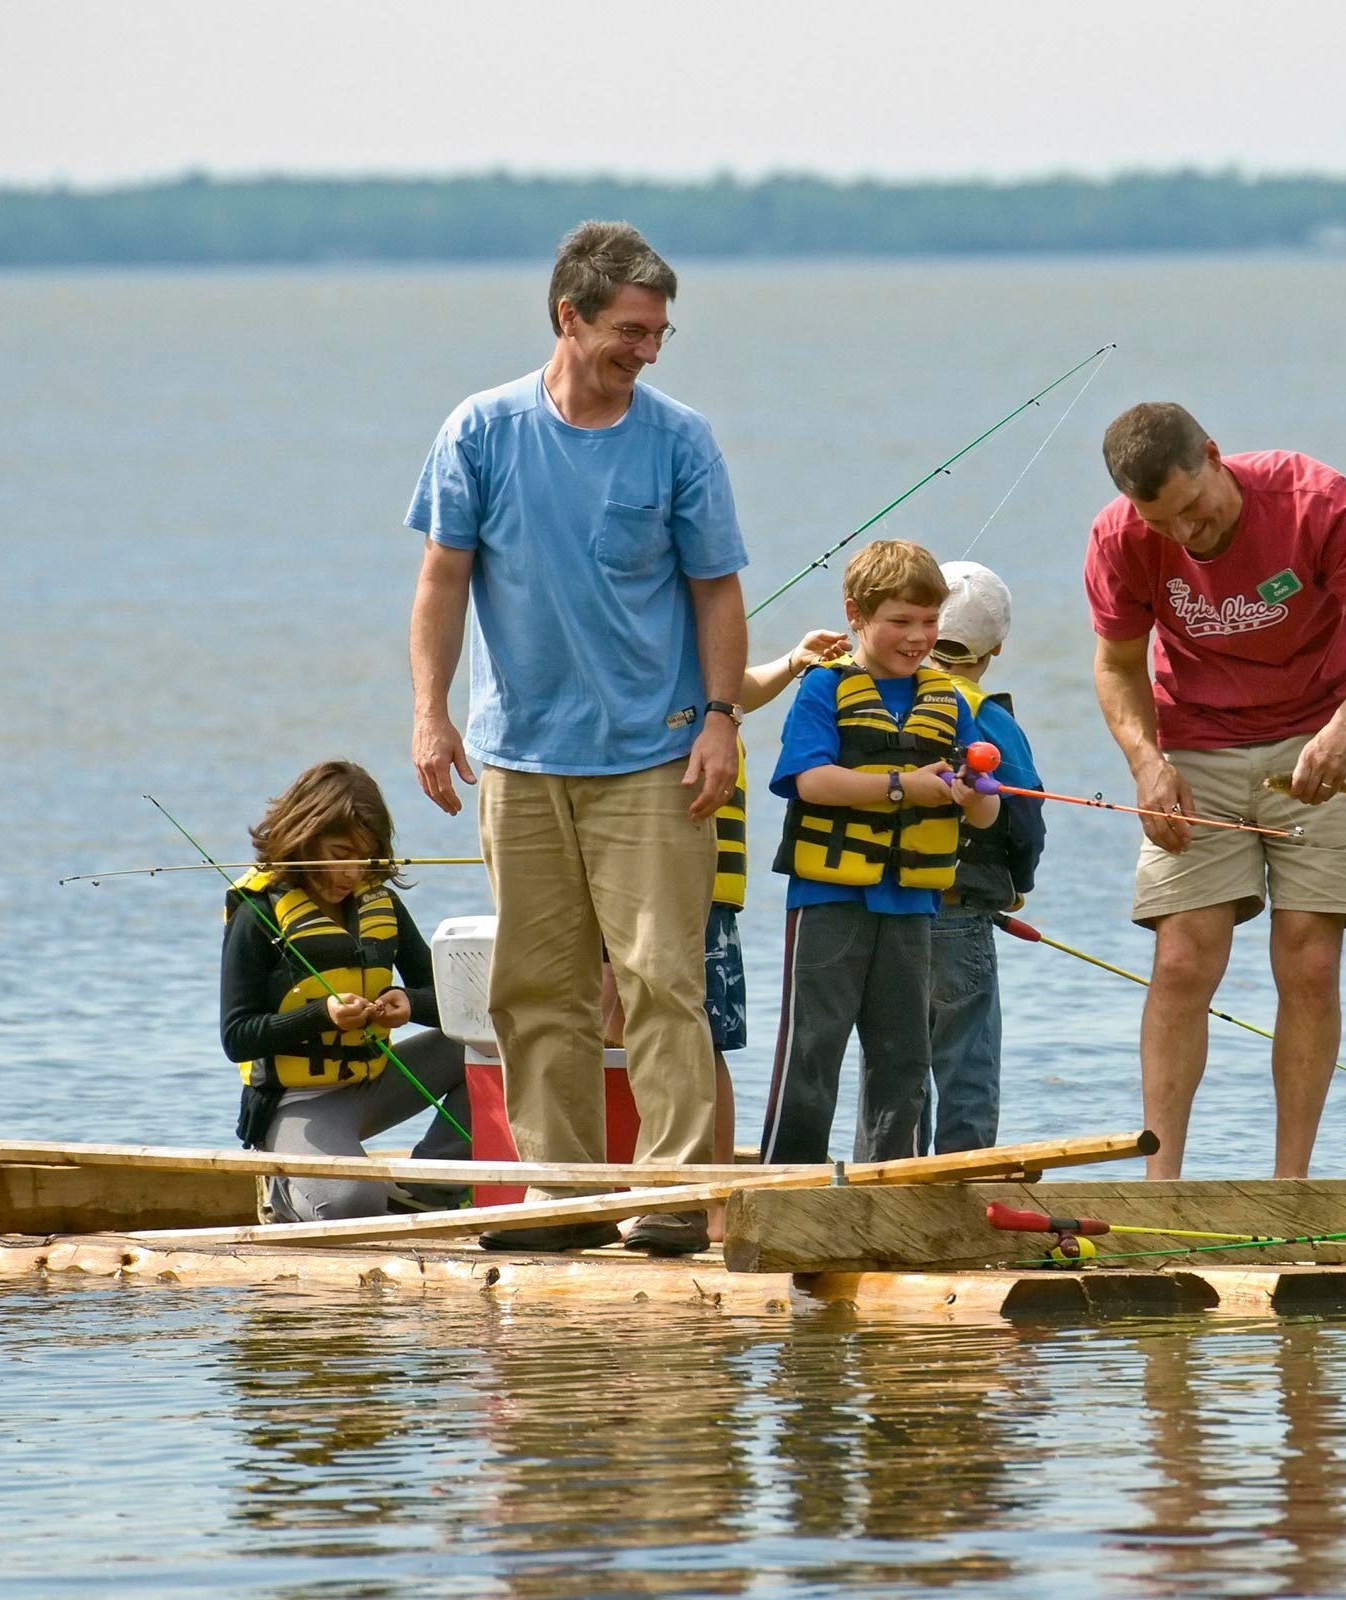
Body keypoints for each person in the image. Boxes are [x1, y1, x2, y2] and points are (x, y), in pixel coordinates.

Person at [405, 220, 747, 1256]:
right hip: (518, 756)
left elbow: (717, 591)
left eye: (659, 334)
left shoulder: (679, 439)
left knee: (660, 981)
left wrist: (722, 720)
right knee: (535, 989)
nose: (647, 350)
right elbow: (442, 583)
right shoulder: (481, 430)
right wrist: (429, 712)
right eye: (631, 331)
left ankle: (674, 1197)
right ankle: (560, 1198)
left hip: (655, 754)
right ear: (571, 316)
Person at [1083, 403, 1346, 1179]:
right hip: (1194, 743)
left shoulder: (1312, 499)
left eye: (1193, 509)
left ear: (1212, 454)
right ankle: (1160, 1185)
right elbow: (1117, 666)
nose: (1186, 535)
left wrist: (1345, 730)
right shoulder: (1121, 538)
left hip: (1322, 729)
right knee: (1180, 958)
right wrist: (1145, 762)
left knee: (1308, 961)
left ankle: (1290, 1183)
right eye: (1162, 521)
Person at [596, 624, 849, 1237]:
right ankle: (629, 1181)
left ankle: (713, 1198)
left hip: (699, 894)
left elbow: (734, 689)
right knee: (612, 1025)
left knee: (701, 1039)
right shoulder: (628, 675)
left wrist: (792, 662)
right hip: (621, 886)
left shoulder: (706, 703)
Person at [760, 540, 1001, 1164]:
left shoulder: (948, 700)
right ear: (857, 615)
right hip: (828, 899)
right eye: (900, 621)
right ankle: (791, 1188)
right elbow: (811, 781)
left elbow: (987, 809)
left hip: (913, 906)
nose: (918, 637)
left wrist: (974, 792)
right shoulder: (823, 689)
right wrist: (905, 787)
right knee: (811, 1054)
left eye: (929, 622)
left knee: (903, 1060)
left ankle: (889, 1189)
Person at [219, 761, 472, 1222]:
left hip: (374, 1083)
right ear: (305, 838)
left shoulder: (381, 904)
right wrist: (321, 1015)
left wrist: (410, 1004)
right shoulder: (257, 915)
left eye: (366, 858)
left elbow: (455, 1006)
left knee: (498, 1046)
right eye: (339, 854)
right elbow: (237, 1037)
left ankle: (430, 1188)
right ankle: (286, 1194)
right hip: (298, 1102)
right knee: (352, 1206)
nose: (352, 873)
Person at [916, 560, 1046, 1153]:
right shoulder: (991, 718)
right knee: (966, 1058)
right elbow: (1027, 818)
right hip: (963, 913)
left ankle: (884, 1179)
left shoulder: (886, 699)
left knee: (895, 1065)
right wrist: (1017, 884)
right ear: (994, 649)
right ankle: (965, 1180)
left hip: (887, 906)